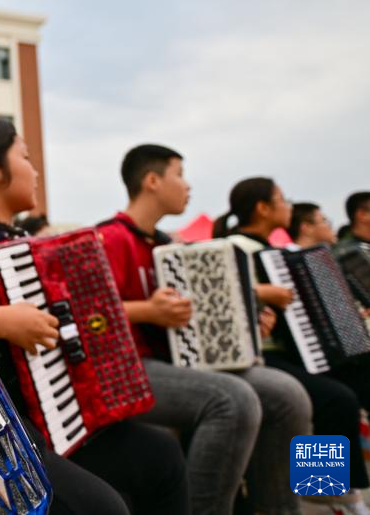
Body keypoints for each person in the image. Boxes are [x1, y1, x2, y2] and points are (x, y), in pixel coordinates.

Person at [0, 118, 190, 515]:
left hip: (48, 416)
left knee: (161, 455)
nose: (34, 171)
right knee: (105, 508)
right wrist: (5, 321)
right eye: (25, 157)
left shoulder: (16, 240)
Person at [100, 146, 311, 515]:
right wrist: (149, 311)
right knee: (283, 397)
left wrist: (247, 325)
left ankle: (294, 503)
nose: (189, 185)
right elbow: (90, 315)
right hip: (134, 365)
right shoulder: (112, 238)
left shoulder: (170, 245)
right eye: (180, 174)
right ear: (152, 181)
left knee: (298, 394)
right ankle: (337, 492)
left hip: (192, 360)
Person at [214, 178, 368, 515]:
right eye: (282, 200)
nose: (288, 206)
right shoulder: (235, 247)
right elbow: (222, 297)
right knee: (333, 397)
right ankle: (323, 487)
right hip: (260, 353)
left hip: (287, 351)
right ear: (263, 208)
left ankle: (343, 488)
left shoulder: (270, 249)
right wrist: (261, 295)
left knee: (358, 373)